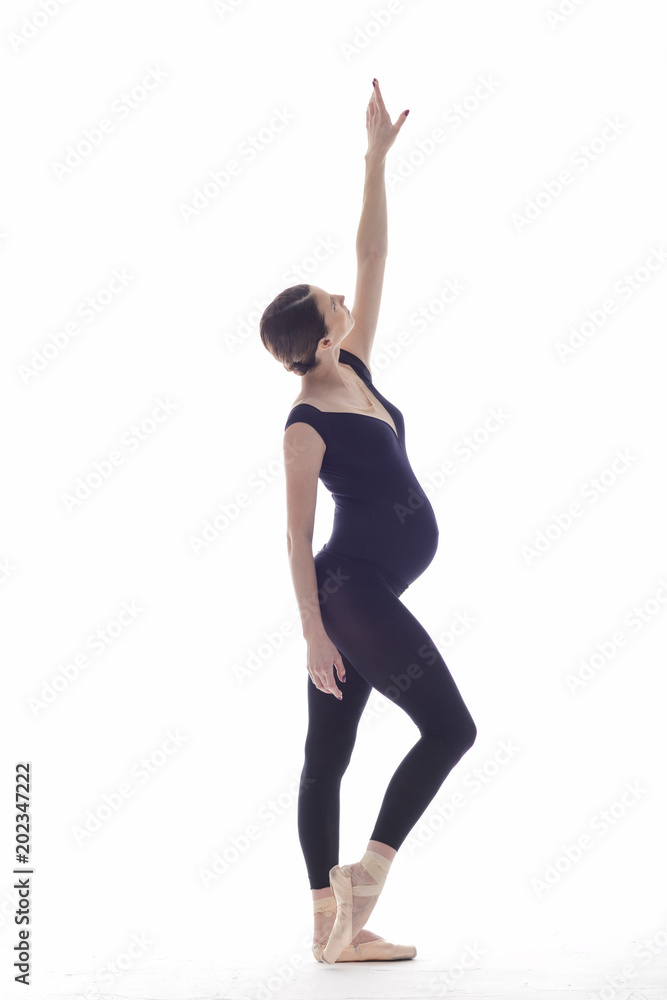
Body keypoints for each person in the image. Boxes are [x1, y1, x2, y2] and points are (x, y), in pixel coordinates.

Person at [260, 79, 477, 964]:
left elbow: (372, 259)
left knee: (330, 752)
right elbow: (294, 536)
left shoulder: (352, 365)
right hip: (347, 595)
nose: (345, 303)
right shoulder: (305, 423)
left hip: (370, 589)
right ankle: (361, 882)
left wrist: (375, 162)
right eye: (330, 305)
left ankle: (330, 932)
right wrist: (314, 634)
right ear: (312, 342)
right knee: (451, 730)